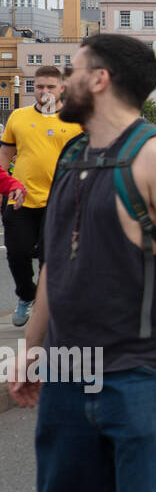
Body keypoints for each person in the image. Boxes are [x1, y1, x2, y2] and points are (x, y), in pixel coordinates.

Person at [9, 34, 156, 492]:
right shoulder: (72, 154)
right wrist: (31, 349)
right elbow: (54, 268)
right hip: (65, 372)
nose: (62, 82)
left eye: (74, 70)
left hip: (140, 374)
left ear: (100, 81)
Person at [1, 65, 82, 327]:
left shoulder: (75, 119)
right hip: (20, 198)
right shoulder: (18, 117)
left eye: (50, 86)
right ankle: (26, 296)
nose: (44, 91)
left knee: (51, 257)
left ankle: (47, 311)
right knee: (17, 253)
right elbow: (6, 154)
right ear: (32, 88)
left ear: (62, 88)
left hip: (60, 201)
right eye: (39, 86)